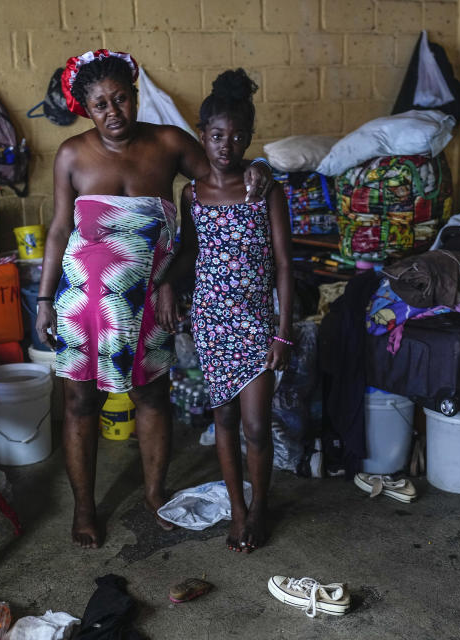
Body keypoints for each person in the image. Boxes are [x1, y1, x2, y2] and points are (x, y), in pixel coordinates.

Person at [35, 50, 273, 549]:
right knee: (80, 401)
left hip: (147, 297)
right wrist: (42, 298)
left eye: (120, 98)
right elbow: (58, 230)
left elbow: (222, 167)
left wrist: (261, 168)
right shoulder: (72, 155)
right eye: (100, 104)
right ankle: (84, 508)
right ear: (86, 108)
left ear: (135, 95)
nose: (113, 111)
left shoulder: (168, 143)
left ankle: (153, 495)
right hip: (84, 301)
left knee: (151, 394)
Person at [157, 69, 294, 552]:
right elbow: (190, 250)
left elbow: (283, 266)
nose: (226, 145)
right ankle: (237, 510)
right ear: (202, 134)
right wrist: (168, 284)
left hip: (257, 325)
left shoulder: (265, 191)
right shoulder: (191, 194)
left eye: (238, 137)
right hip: (212, 323)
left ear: (249, 140)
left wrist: (282, 333)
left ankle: (259, 510)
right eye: (217, 135)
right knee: (225, 423)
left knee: (256, 426)